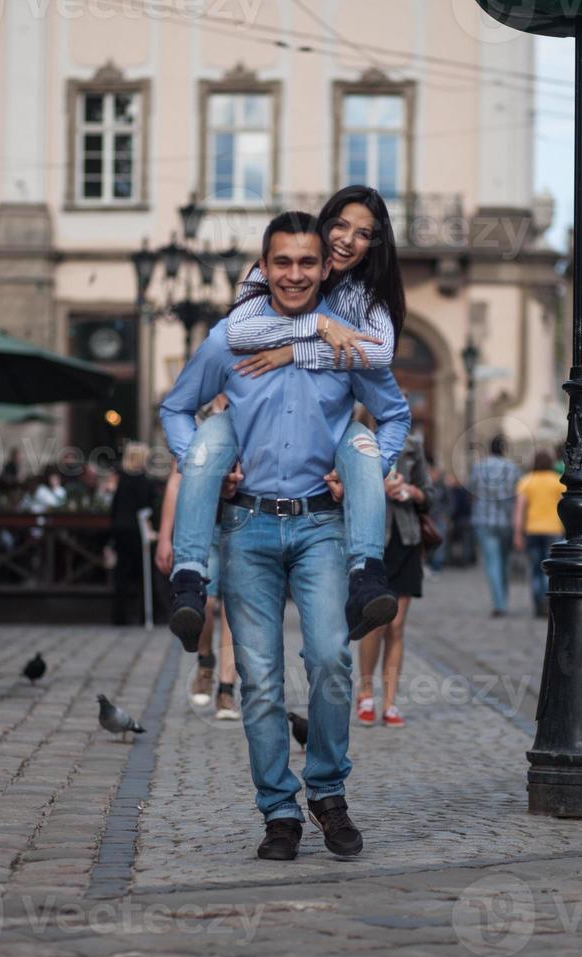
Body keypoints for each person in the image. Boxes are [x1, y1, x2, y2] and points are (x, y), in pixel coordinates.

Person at [160, 211, 410, 861]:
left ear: (326, 266)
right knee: (262, 679)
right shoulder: (228, 341)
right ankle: (278, 811)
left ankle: (326, 792)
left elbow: (393, 415)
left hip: (321, 528)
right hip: (246, 527)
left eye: (307, 262)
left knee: (328, 659)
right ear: (262, 269)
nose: (294, 274)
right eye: (282, 263)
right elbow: (175, 407)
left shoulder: (345, 344)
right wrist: (202, 468)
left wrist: (364, 472)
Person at [166, 186, 405, 652]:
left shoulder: (360, 301)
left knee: (363, 446)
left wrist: (292, 352)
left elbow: (380, 359)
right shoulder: (267, 279)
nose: (346, 240)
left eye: (363, 234)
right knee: (207, 444)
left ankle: (367, 575)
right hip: (247, 498)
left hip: (320, 511)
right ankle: (188, 577)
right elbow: (238, 332)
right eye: (339, 225)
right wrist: (313, 328)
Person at [156, 394, 240, 721]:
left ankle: (227, 691)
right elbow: (177, 481)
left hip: (240, 523)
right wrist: (165, 536)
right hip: (202, 527)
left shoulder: (251, 407)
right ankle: (205, 662)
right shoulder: (195, 419)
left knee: (234, 609)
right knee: (204, 604)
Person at [357, 426, 432, 728]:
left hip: (406, 540)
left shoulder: (413, 445)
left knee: (397, 626)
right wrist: (379, 487)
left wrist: (413, 492)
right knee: (375, 623)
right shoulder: (359, 440)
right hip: (372, 539)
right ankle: (365, 692)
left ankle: (390, 701)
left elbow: (430, 494)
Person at [108, 441, 159, 627]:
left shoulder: (122, 481)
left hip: (120, 530)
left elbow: (114, 508)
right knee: (143, 574)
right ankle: (146, 613)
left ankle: (120, 615)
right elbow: (148, 508)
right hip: (137, 532)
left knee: (121, 574)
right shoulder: (143, 481)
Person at [471, 435, 521, 617]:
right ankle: (504, 598)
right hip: (506, 520)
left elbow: (472, 489)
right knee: (504, 561)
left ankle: (499, 603)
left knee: (492, 562)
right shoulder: (513, 468)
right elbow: (518, 495)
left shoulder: (478, 467)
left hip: (484, 519)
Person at [512, 449, 564, 619]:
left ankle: (537, 604)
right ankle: (547, 601)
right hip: (553, 530)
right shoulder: (557, 481)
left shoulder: (526, 481)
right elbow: (564, 508)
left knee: (535, 569)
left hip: (532, 530)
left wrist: (517, 534)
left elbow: (519, 510)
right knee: (549, 569)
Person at [424, 457, 451, 574]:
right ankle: (427, 565)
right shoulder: (425, 486)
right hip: (428, 518)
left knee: (440, 543)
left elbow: (450, 502)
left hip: (439, 518)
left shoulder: (442, 486)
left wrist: (446, 515)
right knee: (427, 543)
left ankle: (436, 566)